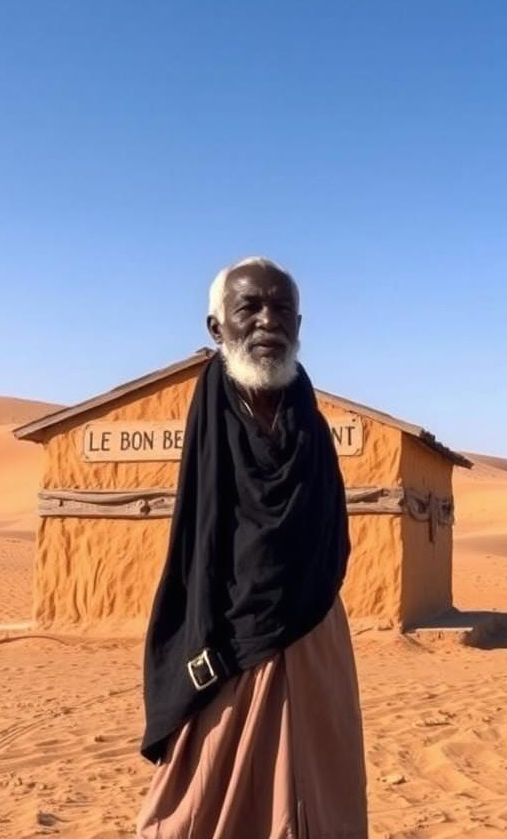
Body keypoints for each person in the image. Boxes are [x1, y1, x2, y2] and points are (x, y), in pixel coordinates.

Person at [136, 257, 368, 839]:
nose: (269, 322)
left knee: (318, 785)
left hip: (313, 630)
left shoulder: (309, 424)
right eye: (250, 308)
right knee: (203, 789)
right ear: (217, 327)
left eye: (282, 309)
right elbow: (203, 534)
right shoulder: (211, 415)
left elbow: (331, 533)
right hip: (229, 630)